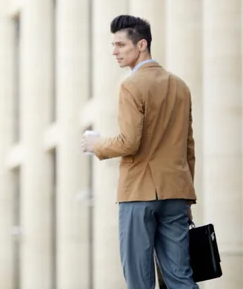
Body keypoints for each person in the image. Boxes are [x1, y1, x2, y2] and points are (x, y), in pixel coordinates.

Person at [81, 15, 198, 289]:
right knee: (181, 277)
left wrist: (96, 145)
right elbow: (188, 147)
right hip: (177, 194)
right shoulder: (180, 86)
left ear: (141, 44)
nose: (114, 51)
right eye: (113, 45)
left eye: (121, 45)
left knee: (139, 280)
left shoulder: (131, 85)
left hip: (139, 194)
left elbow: (129, 142)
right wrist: (186, 198)